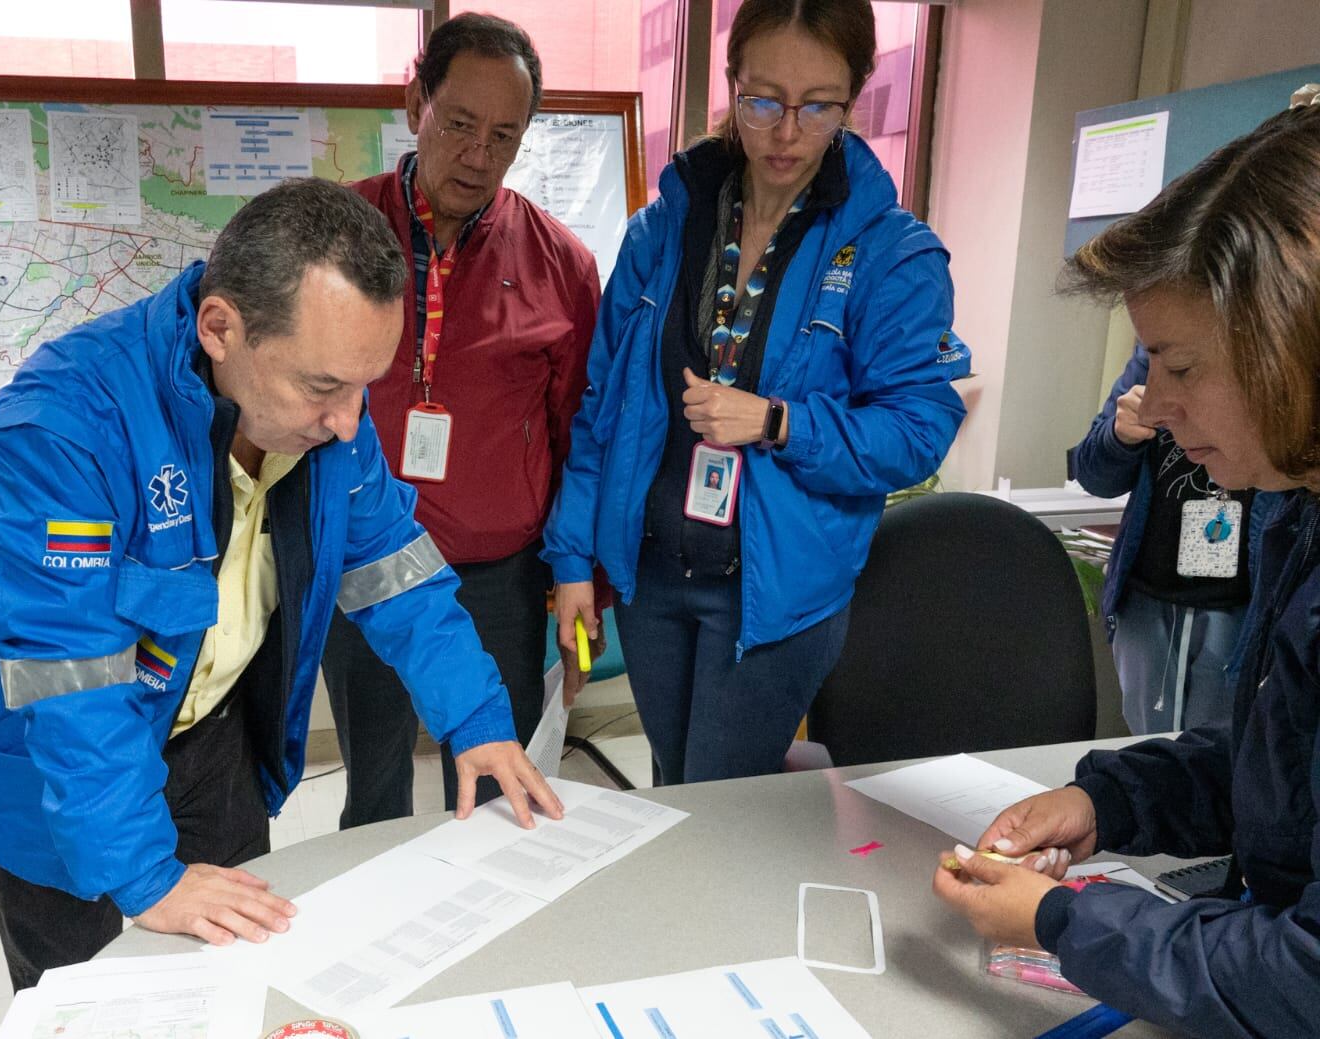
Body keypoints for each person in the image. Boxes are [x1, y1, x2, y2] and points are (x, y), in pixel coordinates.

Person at [0, 179, 564, 991]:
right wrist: (146, 876)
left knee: (235, 979)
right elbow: (68, 682)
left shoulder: (326, 412)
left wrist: (477, 720)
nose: (349, 421)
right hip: (56, 768)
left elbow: (397, 575)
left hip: (212, 743)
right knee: (88, 998)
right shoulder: (63, 432)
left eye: (364, 385)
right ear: (221, 328)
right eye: (325, 386)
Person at [933, 104, 1320, 1037]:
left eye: (1181, 366)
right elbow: (1278, 775)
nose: (1160, 403)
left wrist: (1061, 919)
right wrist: (1106, 799)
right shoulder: (1297, 510)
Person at [545, 0, 966, 785]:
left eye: (818, 107)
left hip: (774, 597)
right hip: (652, 580)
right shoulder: (662, 229)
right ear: (731, 81)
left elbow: (918, 430)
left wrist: (779, 422)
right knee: (676, 785)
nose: (785, 132)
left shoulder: (890, 253)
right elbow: (603, 407)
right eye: (763, 100)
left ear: (857, 92)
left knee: (719, 805)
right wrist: (573, 558)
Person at [330, 13, 599, 827]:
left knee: (493, 789)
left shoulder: (560, 262)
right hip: (363, 570)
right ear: (416, 102)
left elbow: (580, 428)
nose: (479, 156)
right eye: (460, 125)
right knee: (373, 789)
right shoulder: (338, 234)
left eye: (505, 136)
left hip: (499, 581)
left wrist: (575, 572)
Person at [1069, 346, 1275, 735]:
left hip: (1242, 607)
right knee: (1150, 751)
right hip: (1147, 599)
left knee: (1222, 755)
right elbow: (1093, 473)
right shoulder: (1155, 350)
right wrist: (1118, 436)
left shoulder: (1279, 340)